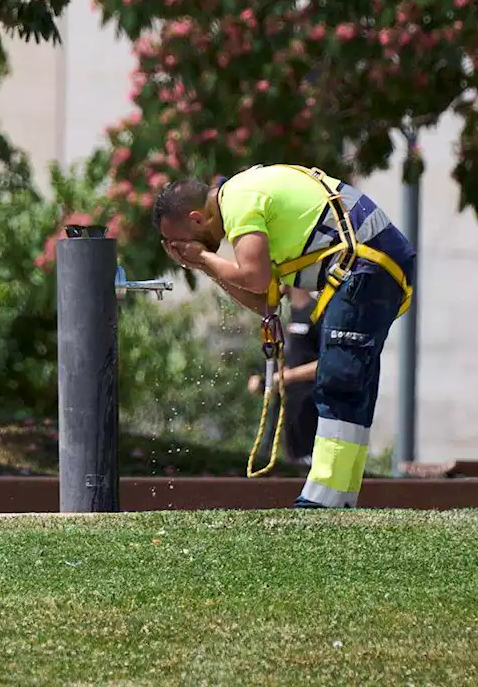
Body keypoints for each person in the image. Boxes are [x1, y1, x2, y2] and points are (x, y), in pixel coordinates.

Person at [152, 163, 415, 508]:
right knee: (352, 381)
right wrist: (205, 264)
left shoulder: (240, 199)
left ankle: (322, 498)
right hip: (371, 264)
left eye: (178, 241)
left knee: (339, 380)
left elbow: (253, 277)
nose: (178, 250)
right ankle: (342, 496)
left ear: (197, 219)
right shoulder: (242, 202)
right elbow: (263, 300)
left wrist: (202, 257)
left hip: (365, 263)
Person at [247, 285, 320, 467]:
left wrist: (287, 377)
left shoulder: (317, 312)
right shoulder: (282, 314)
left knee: (307, 466)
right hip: (286, 408)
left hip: (310, 408)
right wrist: (264, 380)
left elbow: (328, 364)